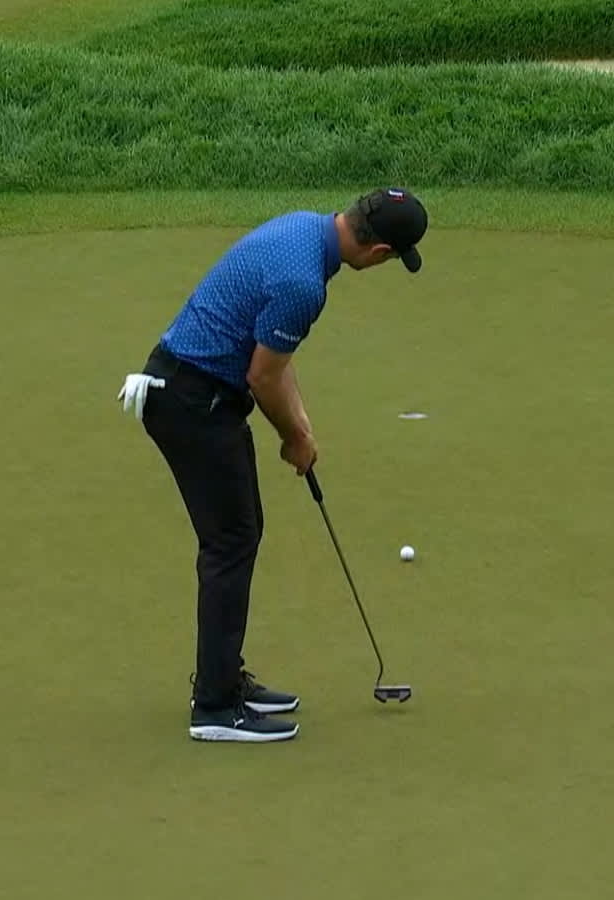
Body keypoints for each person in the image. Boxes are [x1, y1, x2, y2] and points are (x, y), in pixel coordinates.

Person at [117, 187, 429, 743]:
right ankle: (213, 706)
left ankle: (223, 679)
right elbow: (262, 376)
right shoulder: (303, 283)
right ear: (380, 252)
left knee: (239, 533)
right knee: (231, 541)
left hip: (197, 393)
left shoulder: (304, 231)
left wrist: (301, 429)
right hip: (192, 403)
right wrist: (292, 438)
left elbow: (274, 361)